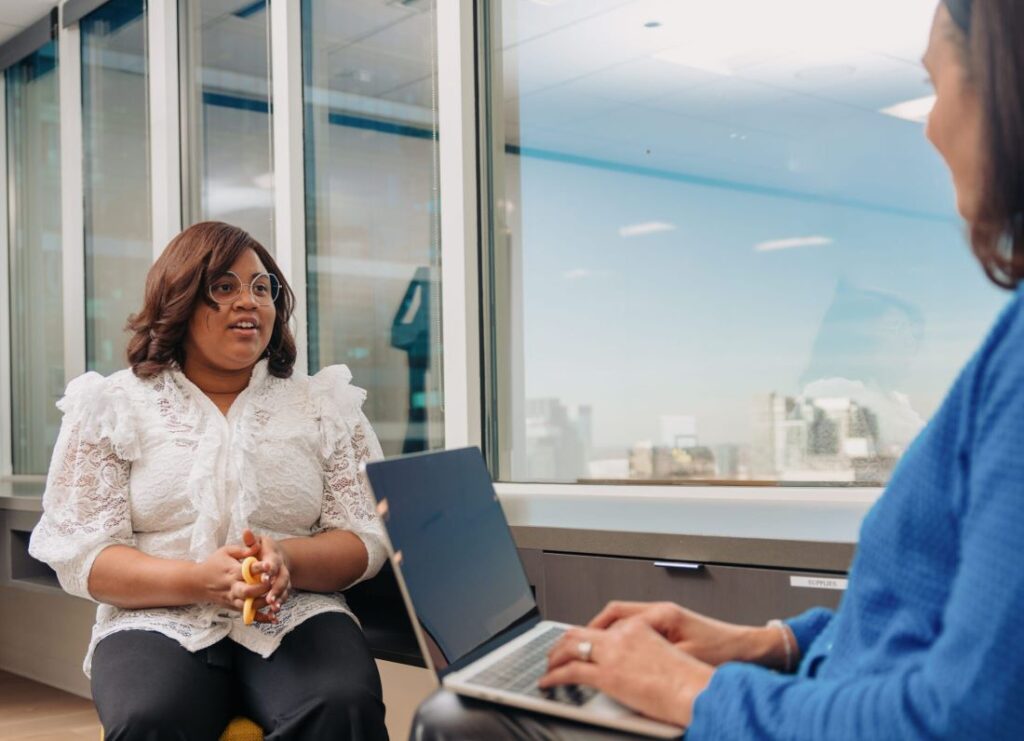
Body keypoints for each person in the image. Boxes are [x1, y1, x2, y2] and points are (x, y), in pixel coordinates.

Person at [413, 0, 1024, 738]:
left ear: (1000, 81)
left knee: (457, 718)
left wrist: (702, 694)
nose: (929, 125)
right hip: (828, 689)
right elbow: (912, 618)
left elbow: (965, 717)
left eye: (938, 84)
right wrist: (769, 641)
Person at [29, 221, 389, 740]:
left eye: (261, 288)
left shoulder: (324, 406)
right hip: (155, 615)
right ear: (178, 300)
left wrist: (286, 559)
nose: (249, 302)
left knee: (341, 703)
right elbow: (84, 553)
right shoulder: (111, 406)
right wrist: (199, 580)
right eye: (224, 288)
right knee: (149, 718)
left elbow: (365, 535)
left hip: (295, 611)